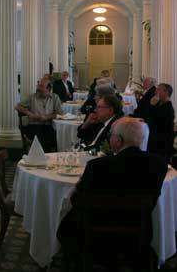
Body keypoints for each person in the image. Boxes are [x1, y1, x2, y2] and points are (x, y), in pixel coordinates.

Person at [57, 118, 167, 266]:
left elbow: (78, 200)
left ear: (118, 141)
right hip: (139, 230)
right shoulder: (159, 164)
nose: (110, 138)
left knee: (67, 220)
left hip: (97, 231)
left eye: (111, 135)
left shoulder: (97, 166)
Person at [15, 78, 62, 152]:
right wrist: (30, 114)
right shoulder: (32, 97)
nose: (38, 88)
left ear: (48, 89)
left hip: (49, 126)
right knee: (41, 140)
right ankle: (43, 158)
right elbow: (17, 107)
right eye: (38, 85)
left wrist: (46, 117)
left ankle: (49, 157)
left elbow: (59, 113)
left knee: (58, 138)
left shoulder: (55, 98)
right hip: (34, 125)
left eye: (41, 86)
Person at [146, 83, 175, 161]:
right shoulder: (160, 104)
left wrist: (152, 105)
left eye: (159, 89)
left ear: (166, 93)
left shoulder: (167, 108)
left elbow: (154, 122)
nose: (156, 91)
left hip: (161, 144)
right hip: (154, 140)